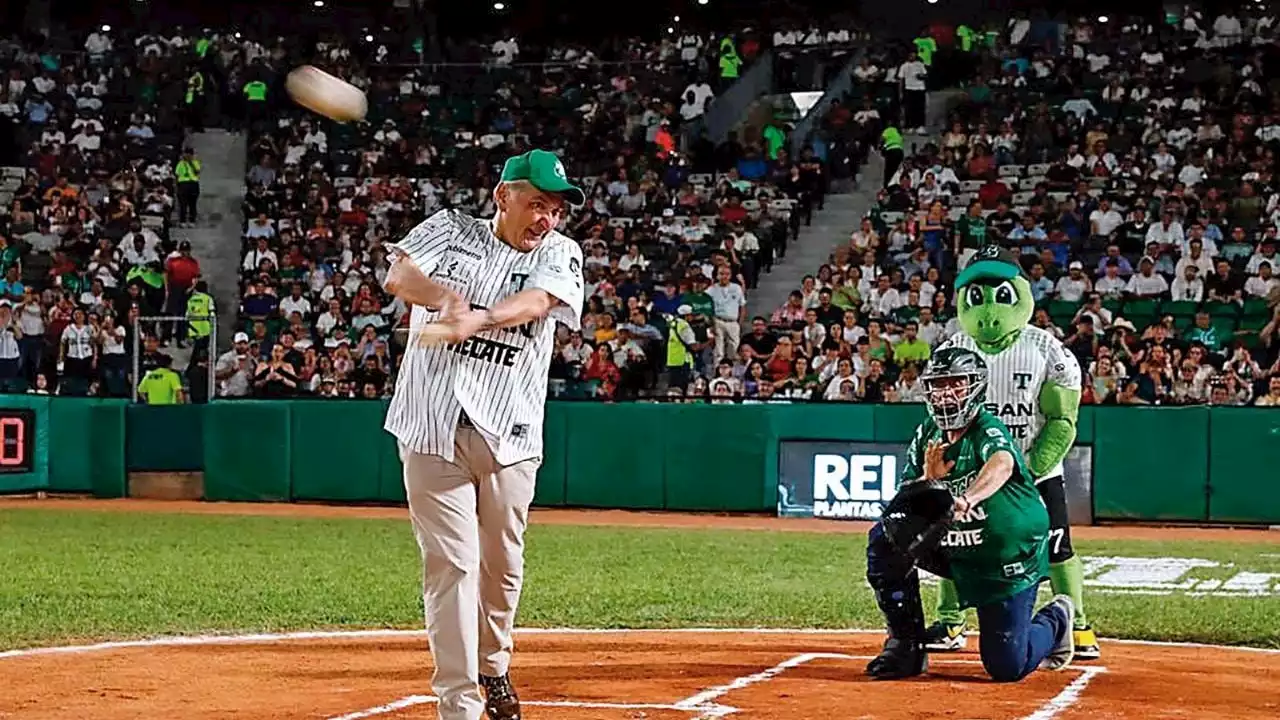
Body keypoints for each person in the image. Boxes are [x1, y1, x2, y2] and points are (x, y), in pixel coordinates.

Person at [382, 149, 586, 720]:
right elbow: (399, 273)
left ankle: (493, 665)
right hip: (430, 424)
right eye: (537, 204)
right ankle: (459, 706)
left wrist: (483, 317)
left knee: (501, 567)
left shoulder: (560, 251)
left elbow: (541, 301)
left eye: (555, 210)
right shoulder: (449, 229)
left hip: (510, 432)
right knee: (453, 565)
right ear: (503, 196)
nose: (546, 219)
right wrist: (447, 300)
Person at [864, 347, 1074, 682]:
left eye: (956, 383)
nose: (946, 392)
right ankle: (905, 646)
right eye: (939, 384)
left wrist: (966, 499)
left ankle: (1057, 619)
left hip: (1006, 554)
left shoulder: (987, 428)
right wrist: (929, 480)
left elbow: (1002, 462)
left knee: (1007, 667)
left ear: (975, 387)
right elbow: (905, 503)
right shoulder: (927, 434)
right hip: (959, 547)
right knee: (887, 537)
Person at [930, 246, 1098, 659]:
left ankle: (1076, 623)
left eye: (1000, 293)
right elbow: (942, 415)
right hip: (974, 471)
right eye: (975, 295)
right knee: (957, 544)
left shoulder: (1049, 350)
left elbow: (1062, 421)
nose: (988, 309)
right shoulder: (952, 348)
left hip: (1036, 471)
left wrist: (1031, 467)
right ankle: (952, 622)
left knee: (1057, 545)